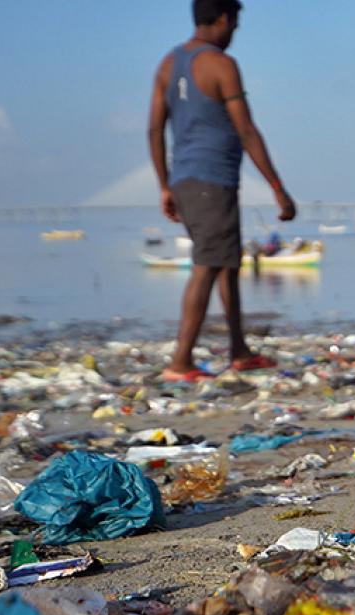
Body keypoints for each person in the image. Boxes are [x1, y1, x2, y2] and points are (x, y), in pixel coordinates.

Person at [148, 0, 296, 382]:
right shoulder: (221, 65)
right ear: (224, 19)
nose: (235, 32)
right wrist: (278, 189)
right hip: (211, 180)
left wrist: (165, 184)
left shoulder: (168, 63)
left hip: (186, 180)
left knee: (227, 264)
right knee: (208, 265)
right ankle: (180, 362)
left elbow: (154, 129)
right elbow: (246, 130)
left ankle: (239, 350)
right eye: (235, 23)